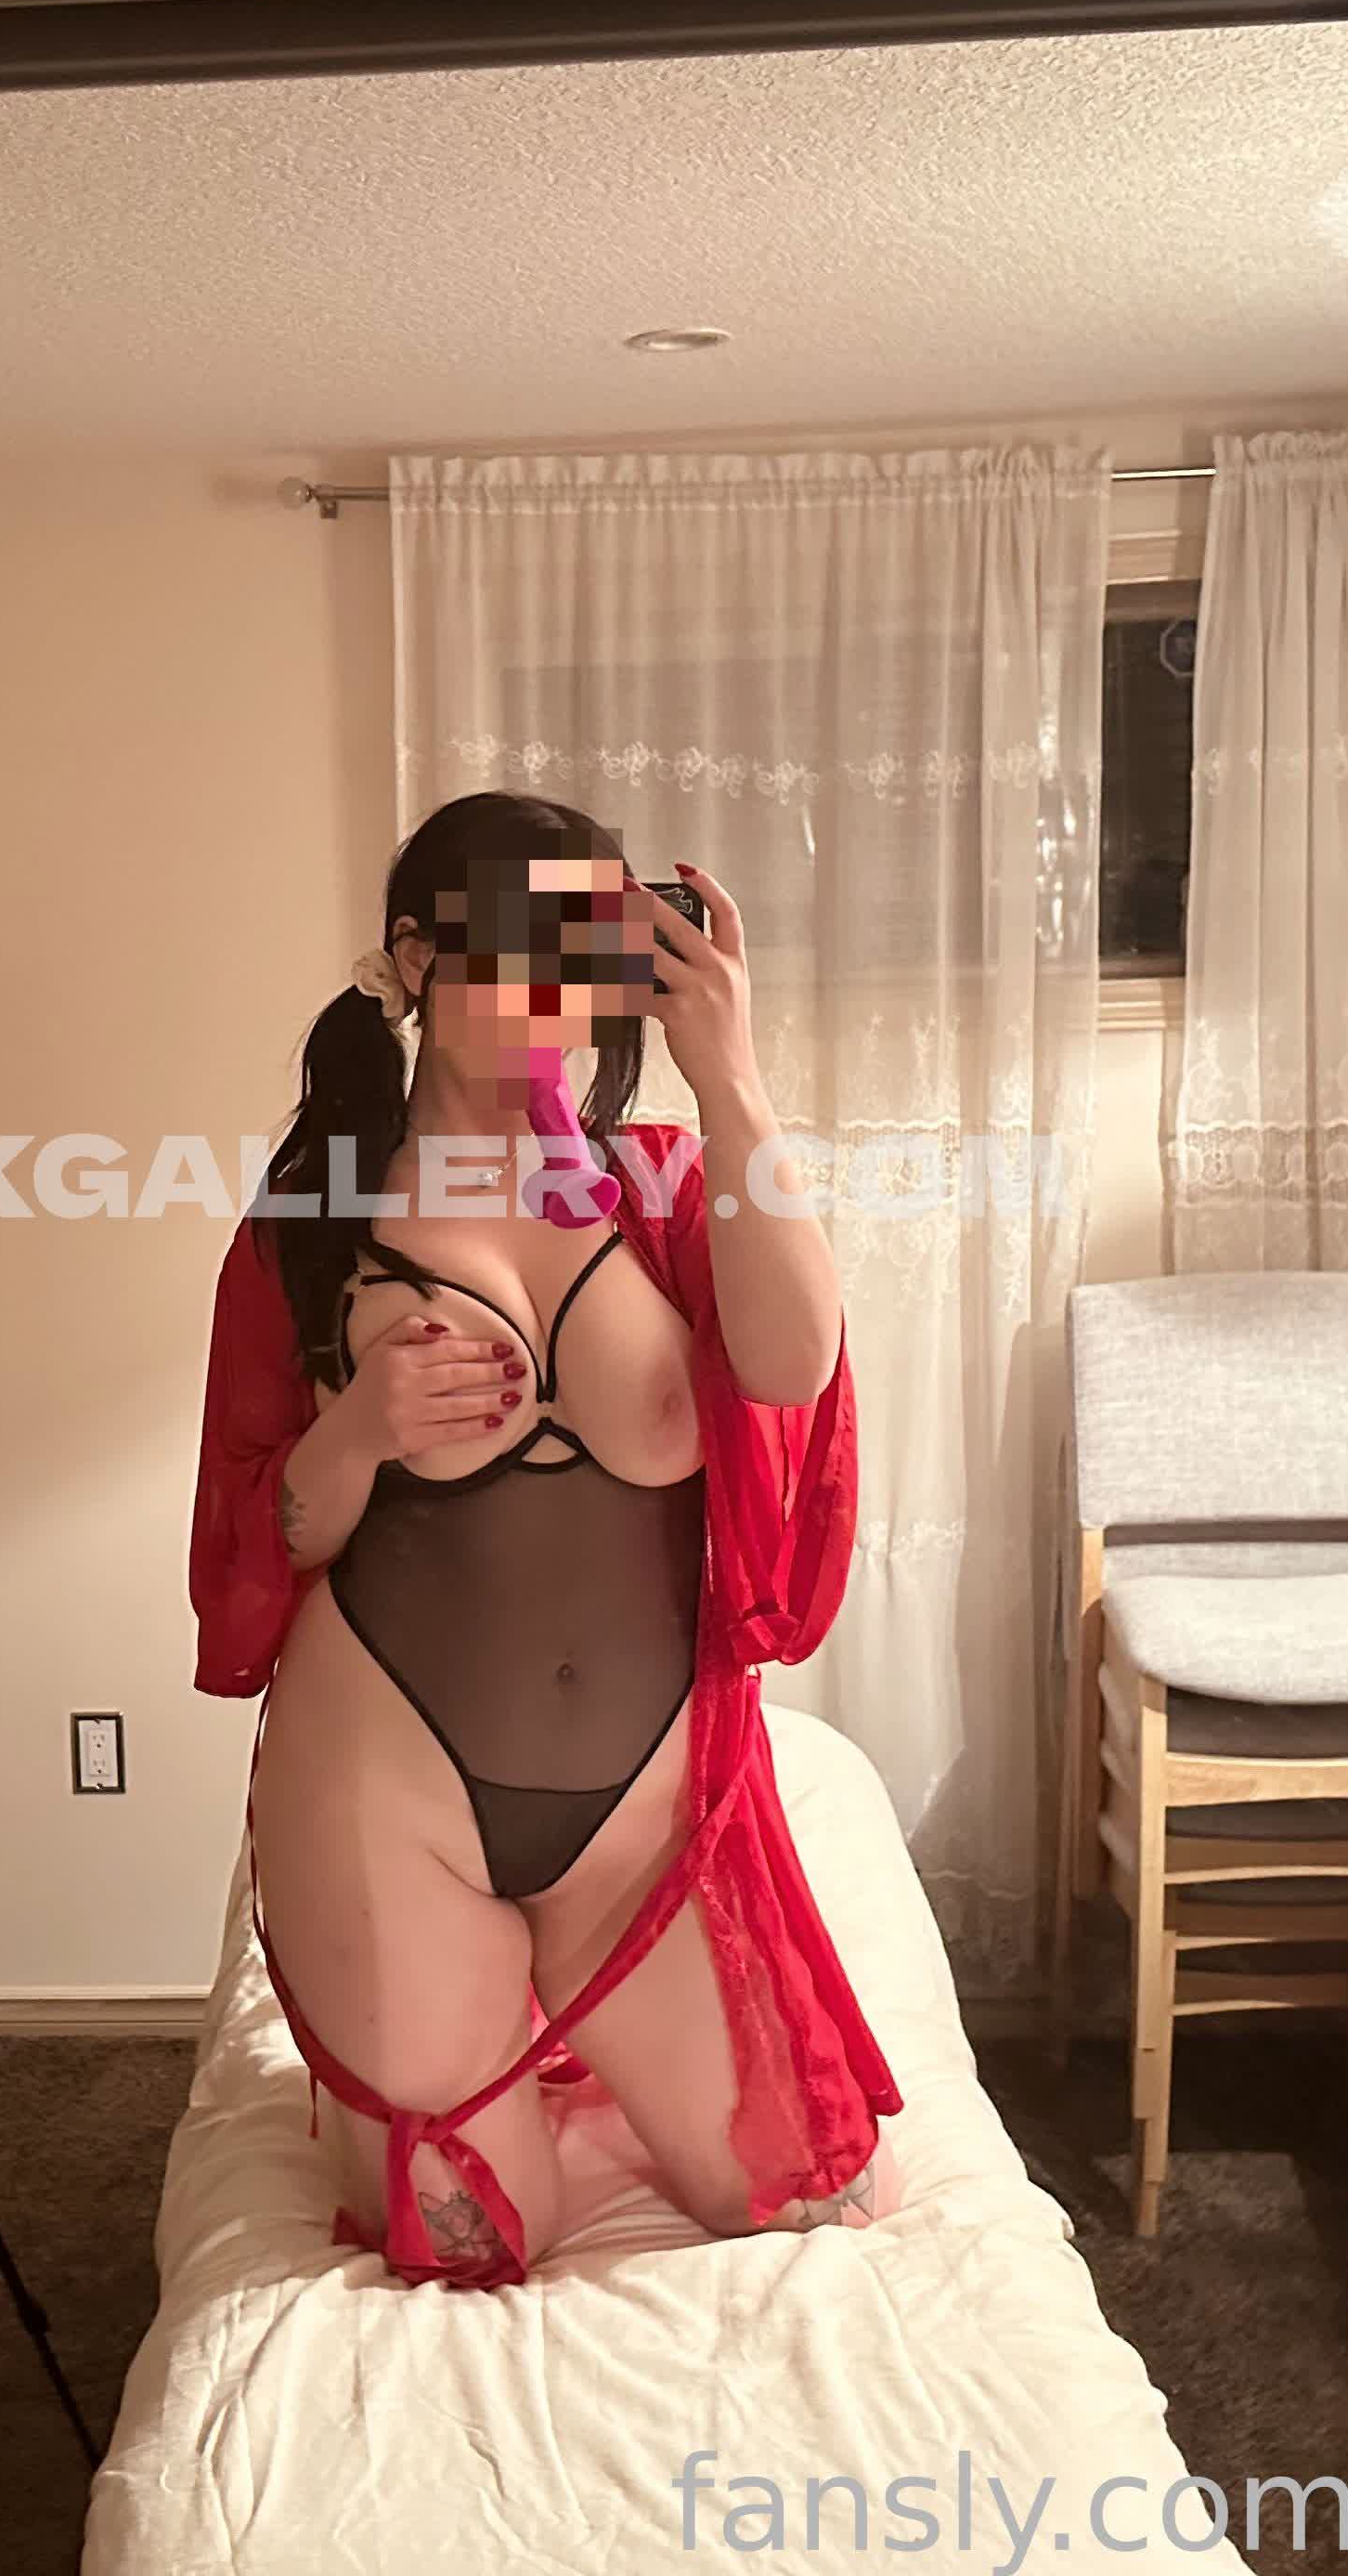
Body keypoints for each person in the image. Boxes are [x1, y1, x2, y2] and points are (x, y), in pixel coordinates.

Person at [185, 787, 905, 2288]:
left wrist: (733, 1080)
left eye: (586, 951)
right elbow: (260, 1536)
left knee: (820, 2204)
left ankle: (524, 2029)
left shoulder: (663, 1183)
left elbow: (790, 1371)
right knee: (475, 2242)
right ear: (415, 959)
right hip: (386, 1800)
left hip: (644, 1813)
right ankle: (427, 2039)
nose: (556, 990)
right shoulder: (314, 1220)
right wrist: (357, 1429)